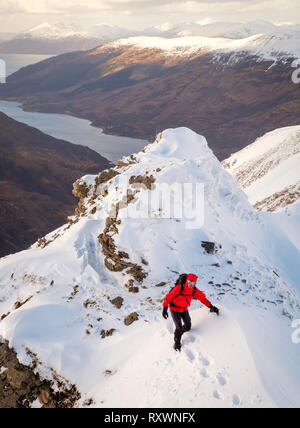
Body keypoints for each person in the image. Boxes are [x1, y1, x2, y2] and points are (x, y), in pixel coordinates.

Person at [162, 273, 219, 351]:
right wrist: (165, 308)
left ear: (195, 283)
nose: (191, 284)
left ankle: (181, 332)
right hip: (174, 309)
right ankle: (177, 343)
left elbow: (202, 298)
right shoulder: (179, 288)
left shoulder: (194, 290)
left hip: (184, 309)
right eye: (189, 282)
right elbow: (168, 297)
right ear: (186, 281)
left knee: (188, 326)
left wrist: (211, 306)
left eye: (193, 283)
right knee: (178, 327)